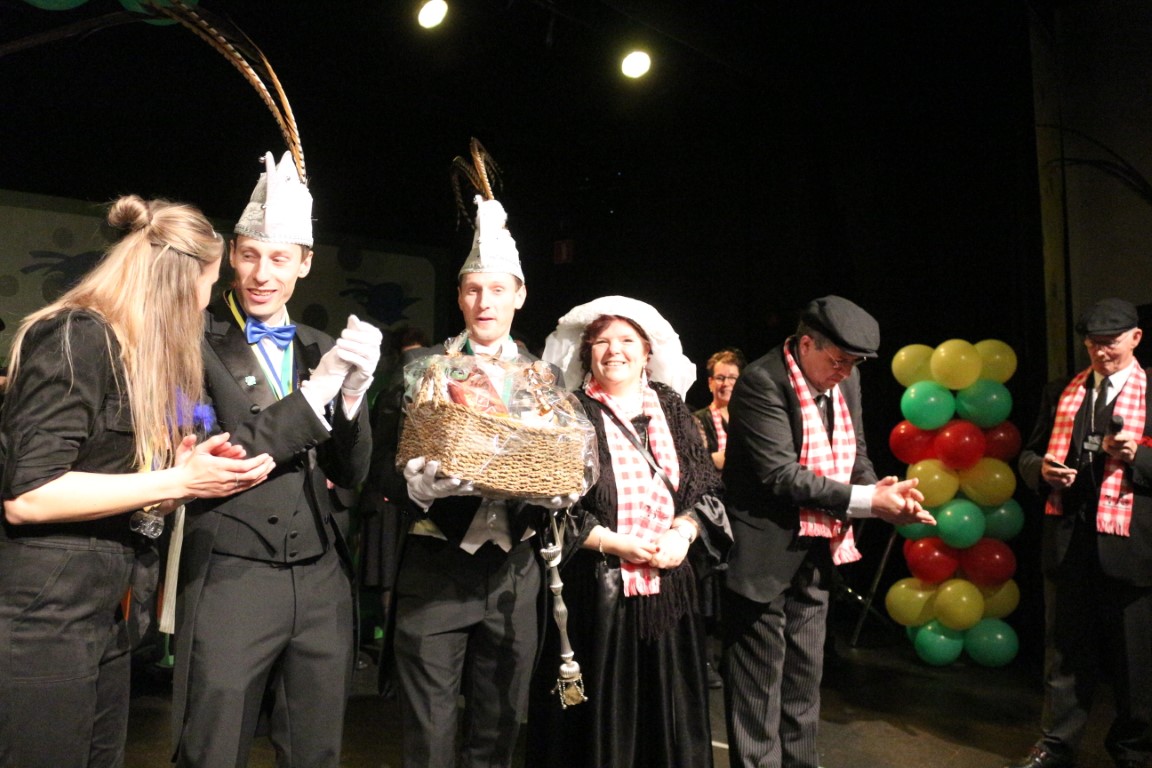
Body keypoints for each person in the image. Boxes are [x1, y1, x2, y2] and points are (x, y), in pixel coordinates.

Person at [0, 195, 274, 768]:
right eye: (208, 283)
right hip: (43, 617)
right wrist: (173, 479)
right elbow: (29, 496)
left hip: (103, 614)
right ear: (179, 283)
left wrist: (177, 484)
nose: (207, 300)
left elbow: (106, 485)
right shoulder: (76, 337)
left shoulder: (130, 355)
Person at [171, 152, 380, 766]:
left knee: (317, 747)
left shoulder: (321, 346)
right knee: (213, 744)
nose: (262, 274)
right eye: (250, 255)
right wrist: (320, 392)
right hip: (233, 571)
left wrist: (352, 397)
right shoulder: (193, 340)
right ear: (232, 255)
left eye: (280, 258)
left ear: (305, 264)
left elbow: (352, 472)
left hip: (321, 573)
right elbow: (226, 451)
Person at [721, 295, 935, 768]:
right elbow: (781, 475)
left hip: (817, 551)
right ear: (805, 344)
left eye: (853, 364)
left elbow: (856, 454)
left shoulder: (847, 380)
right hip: (762, 555)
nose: (844, 372)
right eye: (838, 361)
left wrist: (882, 493)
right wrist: (867, 502)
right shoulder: (761, 382)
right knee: (758, 691)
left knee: (804, 683)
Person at [392, 184, 558, 768]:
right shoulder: (423, 369)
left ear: (520, 294)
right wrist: (415, 487)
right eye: (472, 290)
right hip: (435, 570)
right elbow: (379, 471)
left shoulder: (545, 379)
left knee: (499, 730)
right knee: (429, 738)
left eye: (497, 290)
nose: (485, 302)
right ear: (459, 296)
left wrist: (560, 490)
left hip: (515, 576)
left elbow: (564, 458)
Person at [525, 295, 721, 767]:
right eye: (603, 342)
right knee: (603, 718)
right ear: (586, 352)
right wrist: (617, 543)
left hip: (669, 593)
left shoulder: (672, 408)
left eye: (628, 340)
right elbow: (551, 507)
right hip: (598, 596)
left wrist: (681, 535)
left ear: (647, 351)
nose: (615, 350)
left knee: (667, 715)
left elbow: (705, 491)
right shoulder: (569, 412)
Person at [1009, 297, 1152, 768]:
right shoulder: (1061, 392)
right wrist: (1042, 470)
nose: (1101, 352)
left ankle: (1134, 750)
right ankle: (1056, 744)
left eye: (1111, 343)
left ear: (1135, 338)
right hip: (1069, 539)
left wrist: (1138, 456)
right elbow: (1028, 454)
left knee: (1135, 660)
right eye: (1093, 344)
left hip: (1131, 547)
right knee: (1066, 652)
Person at [695, 347, 747, 471]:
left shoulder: (749, 419)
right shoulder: (698, 420)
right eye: (720, 378)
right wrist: (714, 459)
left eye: (732, 378)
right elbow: (694, 462)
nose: (726, 383)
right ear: (710, 383)